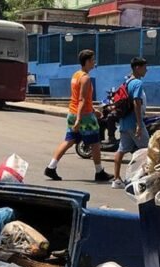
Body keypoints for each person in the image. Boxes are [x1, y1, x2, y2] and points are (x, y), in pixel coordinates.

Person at [45, 49, 112, 182]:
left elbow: (80, 99)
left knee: (69, 140)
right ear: (87, 61)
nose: (94, 62)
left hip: (73, 112)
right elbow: (82, 99)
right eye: (93, 60)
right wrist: (80, 119)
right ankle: (99, 172)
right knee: (95, 143)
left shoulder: (76, 75)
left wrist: (92, 110)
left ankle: (51, 167)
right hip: (84, 116)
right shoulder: (86, 78)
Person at [112, 57, 149, 189]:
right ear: (137, 68)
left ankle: (116, 179)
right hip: (134, 123)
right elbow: (136, 103)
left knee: (121, 150)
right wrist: (139, 124)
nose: (147, 70)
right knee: (148, 151)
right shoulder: (137, 83)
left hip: (124, 122)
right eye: (145, 67)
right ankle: (144, 178)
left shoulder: (127, 81)